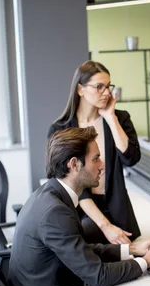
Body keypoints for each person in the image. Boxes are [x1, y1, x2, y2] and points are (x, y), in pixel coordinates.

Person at [8, 127, 150, 286]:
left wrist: (131, 251)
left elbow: (81, 249)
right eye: (96, 159)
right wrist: (146, 262)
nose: (102, 166)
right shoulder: (54, 212)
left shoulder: (50, 194)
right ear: (74, 164)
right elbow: (98, 275)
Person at [48, 60, 141, 244]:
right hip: (83, 214)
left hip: (118, 210)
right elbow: (63, 180)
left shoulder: (120, 118)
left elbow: (130, 159)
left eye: (108, 86)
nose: (106, 93)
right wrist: (104, 225)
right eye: (99, 87)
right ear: (81, 89)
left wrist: (110, 118)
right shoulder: (61, 130)